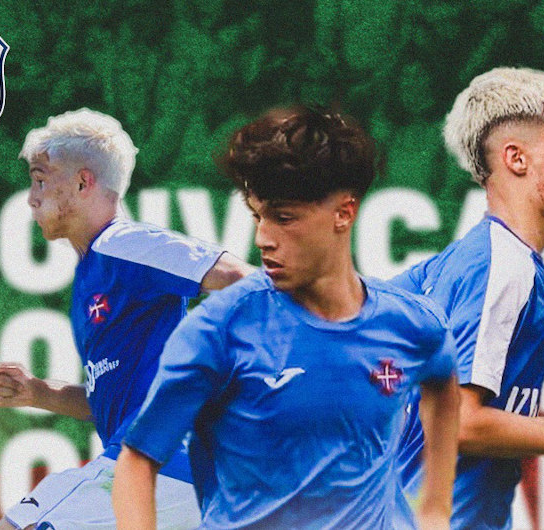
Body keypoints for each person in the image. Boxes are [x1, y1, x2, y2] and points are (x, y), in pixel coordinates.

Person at [112, 106, 461, 529]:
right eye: (257, 215)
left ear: (343, 213)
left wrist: (435, 511)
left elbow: (443, 390)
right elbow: (137, 462)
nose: (262, 237)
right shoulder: (218, 331)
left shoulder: (412, 324)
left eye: (283, 218)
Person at [0, 108, 253, 530]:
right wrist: (39, 392)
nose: (31, 197)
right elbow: (114, 401)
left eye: (40, 180)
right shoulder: (95, 272)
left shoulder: (124, 244)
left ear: (82, 183)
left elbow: (240, 277)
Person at [391, 67, 544, 529]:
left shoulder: (456, 263)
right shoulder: (502, 265)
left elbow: (346, 308)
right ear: (516, 159)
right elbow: (459, 421)